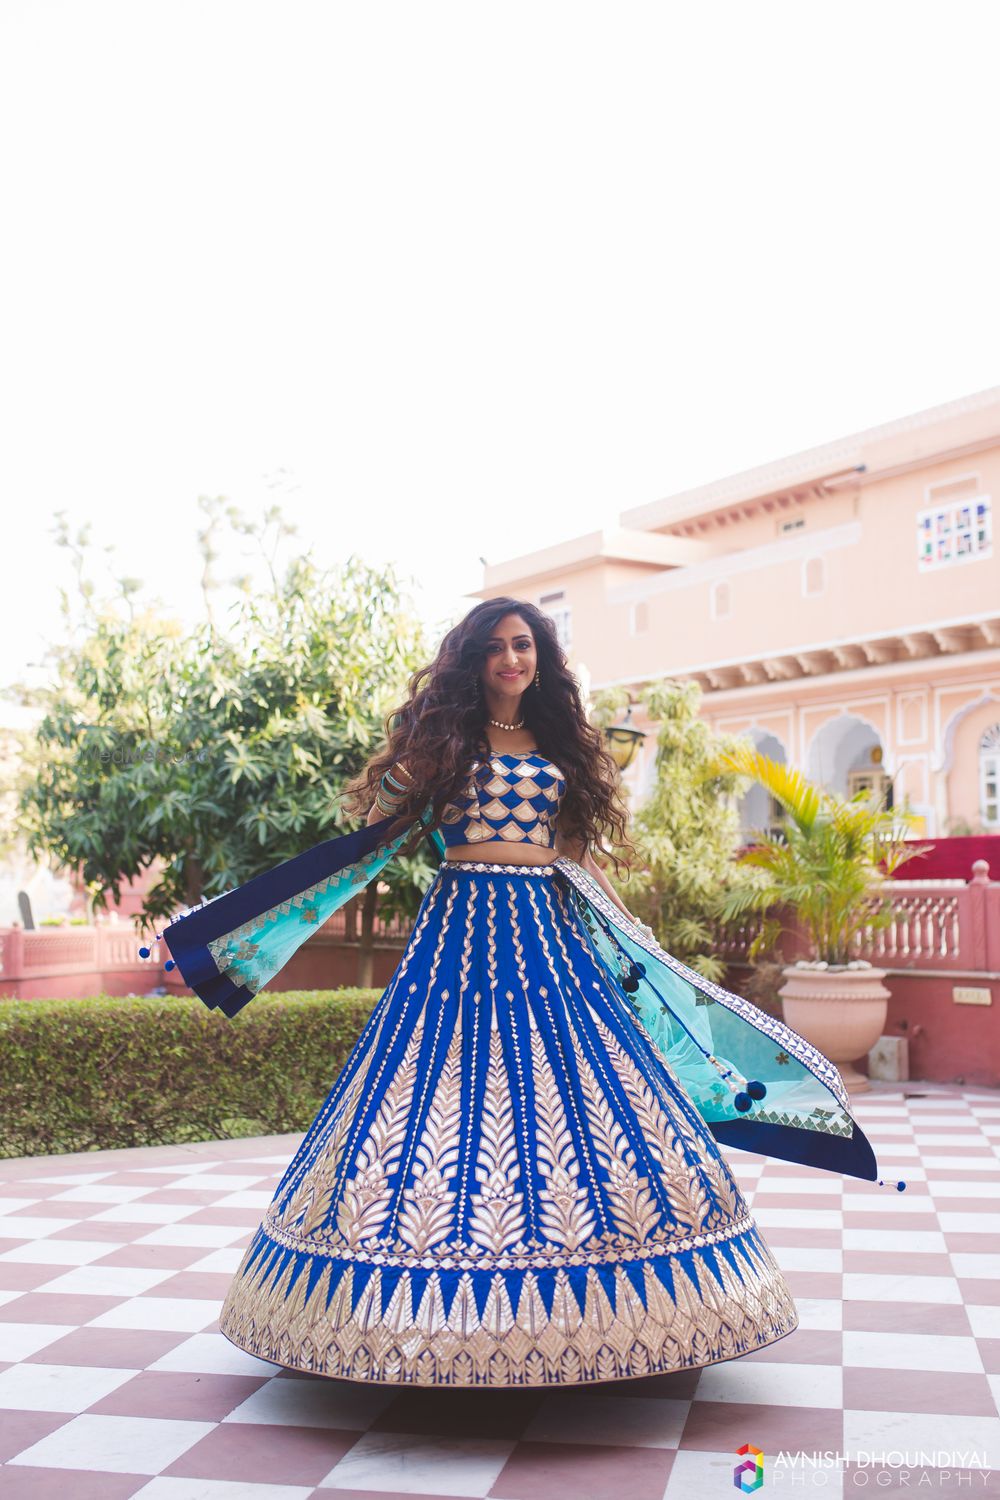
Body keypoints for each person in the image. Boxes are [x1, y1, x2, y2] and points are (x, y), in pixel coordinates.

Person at [154, 595, 897, 1389]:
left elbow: (573, 851)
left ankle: (610, 1310)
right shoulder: (446, 740)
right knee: (436, 1092)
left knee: (580, 1092)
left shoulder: (558, 743)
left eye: (524, 645)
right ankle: (391, 1306)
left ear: (540, 657)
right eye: (497, 648)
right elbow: (377, 823)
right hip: (461, 927)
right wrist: (404, 772)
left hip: (545, 930)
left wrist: (627, 931)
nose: (513, 659)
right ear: (473, 660)